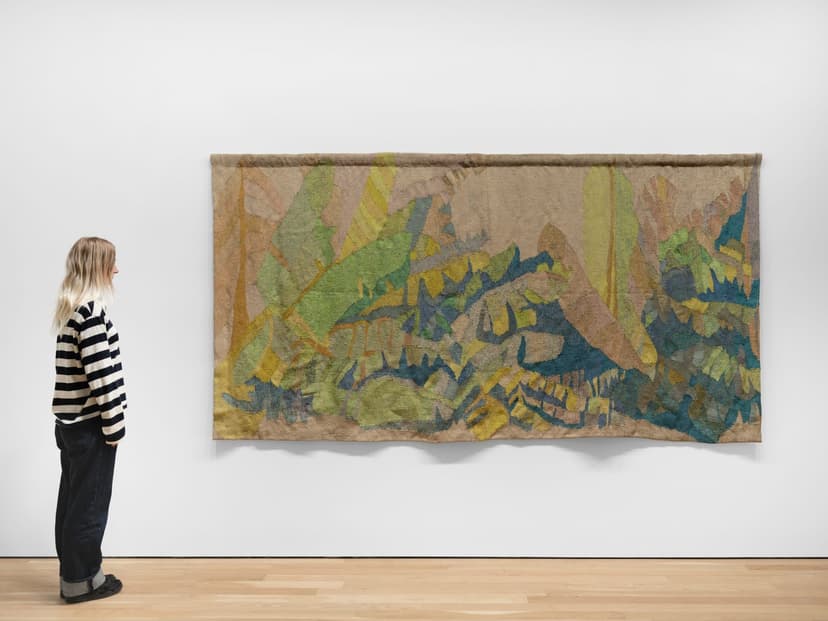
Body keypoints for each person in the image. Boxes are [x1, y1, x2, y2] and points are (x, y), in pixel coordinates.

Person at [51, 236, 127, 603]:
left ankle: (80, 575)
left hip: (70, 426)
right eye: (111, 263)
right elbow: (102, 378)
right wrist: (114, 426)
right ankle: (80, 582)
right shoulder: (91, 315)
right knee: (90, 505)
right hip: (90, 427)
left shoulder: (72, 311)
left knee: (73, 502)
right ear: (98, 267)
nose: (116, 270)